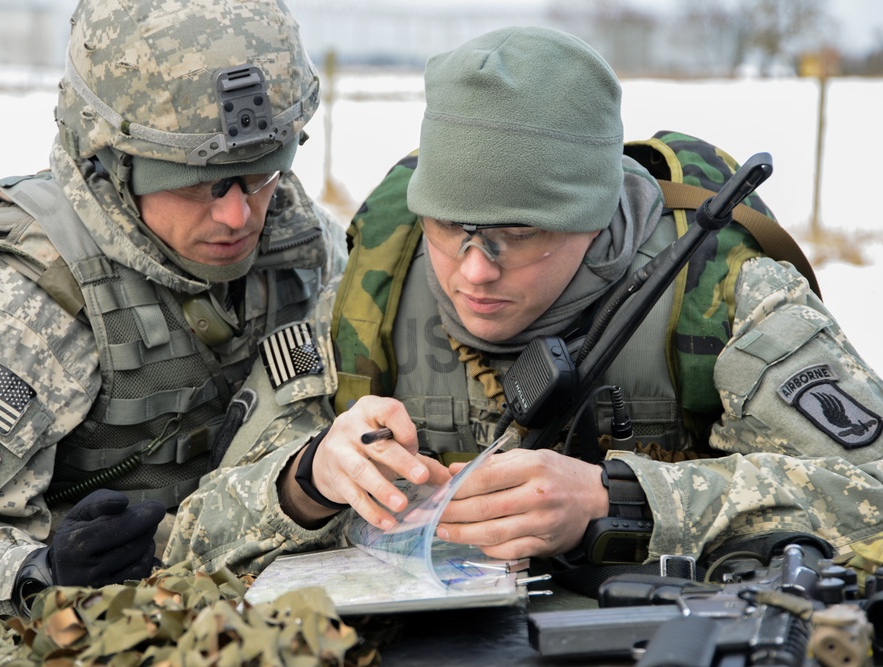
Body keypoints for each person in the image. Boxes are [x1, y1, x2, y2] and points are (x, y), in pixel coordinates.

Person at [164, 26, 883, 585]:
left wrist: (622, 501)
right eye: (450, 229)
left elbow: (871, 489)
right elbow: (187, 536)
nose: (474, 270)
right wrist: (308, 480)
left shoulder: (718, 293)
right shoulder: (374, 289)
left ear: (594, 216)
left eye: (520, 235)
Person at [0, 0, 345, 639]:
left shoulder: (300, 242)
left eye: (261, 175)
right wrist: (36, 573)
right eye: (198, 185)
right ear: (111, 168)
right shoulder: (27, 308)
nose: (240, 217)